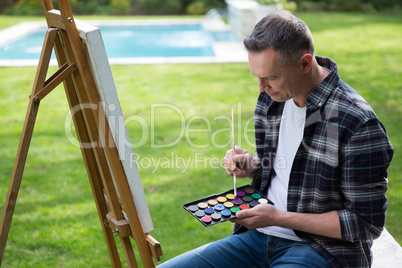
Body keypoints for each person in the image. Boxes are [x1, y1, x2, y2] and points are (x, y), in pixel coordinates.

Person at [158, 12, 394, 268]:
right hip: (257, 240)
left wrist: (278, 218)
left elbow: (365, 223)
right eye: (257, 77)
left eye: (270, 77)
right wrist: (253, 165)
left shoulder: (357, 123)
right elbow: (292, 164)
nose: (261, 88)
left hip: (322, 250)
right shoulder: (274, 100)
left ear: (304, 64)